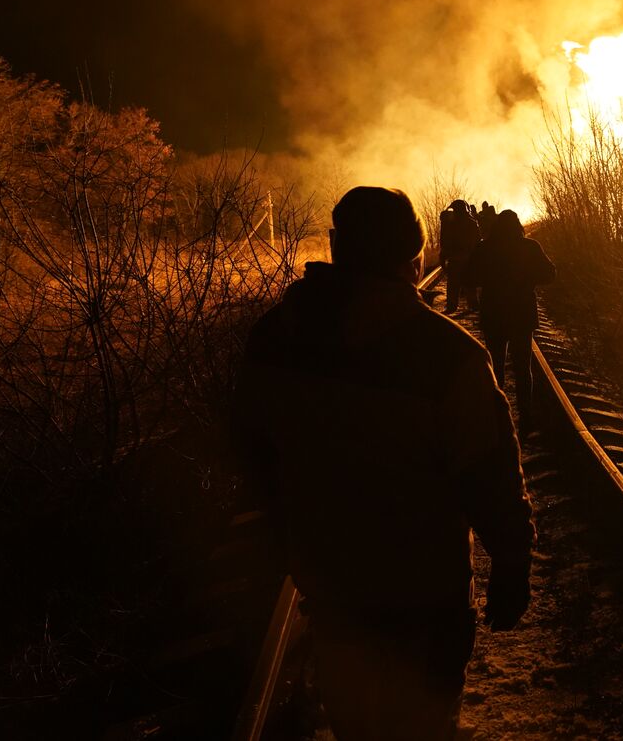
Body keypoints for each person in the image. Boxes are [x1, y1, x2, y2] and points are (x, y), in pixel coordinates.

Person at [234, 186, 534, 741]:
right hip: (425, 593)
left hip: (330, 587)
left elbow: (251, 452)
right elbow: (486, 473)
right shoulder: (449, 357)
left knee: (355, 723)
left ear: (334, 246)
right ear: (416, 255)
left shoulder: (274, 337)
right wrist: (513, 562)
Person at [469, 209, 555, 433]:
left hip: (493, 313)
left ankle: (498, 417)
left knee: (495, 366)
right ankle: (526, 417)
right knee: (522, 367)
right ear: (518, 226)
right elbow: (550, 274)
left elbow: (470, 276)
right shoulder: (530, 247)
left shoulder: (484, 247)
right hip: (522, 314)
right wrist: (527, 279)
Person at [439, 199, 481, 313]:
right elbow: (478, 242)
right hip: (469, 259)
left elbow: (445, 241)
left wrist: (443, 258)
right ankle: (473, 305)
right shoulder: (472, 223)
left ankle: (452, 306)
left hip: (454, 259)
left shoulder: (450, 223)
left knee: (453, 284)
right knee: (470, 283)